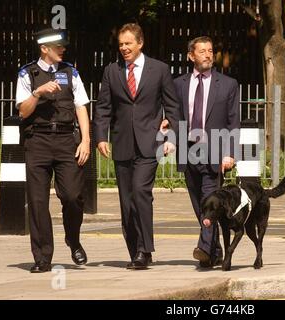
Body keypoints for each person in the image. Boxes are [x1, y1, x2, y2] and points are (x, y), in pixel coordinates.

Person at [93, 23, 180, 269]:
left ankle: (144, 249)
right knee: (126, 200)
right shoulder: (111, 71)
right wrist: (100, 136)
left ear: (140, 43)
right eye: (121, 44)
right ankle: (136, 250)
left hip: (149, 143)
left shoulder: (159, 70)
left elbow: (172, 106)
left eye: (128, 43)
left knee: (141, 192)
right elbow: (103, 107)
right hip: (121, 144)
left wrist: (170, 133)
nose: (124, 48)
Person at [16, 28, 90, 273]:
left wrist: (86, 140)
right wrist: (38, 92)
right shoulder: (28, 73)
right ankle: (42, 257)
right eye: (58, 46)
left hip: (66, 139)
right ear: (44, 48)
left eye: (63, 46)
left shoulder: (71, 72)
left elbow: (81, 107)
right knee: (37, 202)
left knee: (72, 196)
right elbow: (23, 112)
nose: (63, 49)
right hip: (37, 140)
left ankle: (73, 239)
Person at [173, 36, 240, 268]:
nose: (208, 55)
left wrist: (230, 152)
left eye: (210, 50)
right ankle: (216, 251)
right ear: (191, 56)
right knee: (199, 204)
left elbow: (233, 122)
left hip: (215, 149)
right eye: (202, 51)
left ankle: (203, 249)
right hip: (188, 148)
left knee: (210, 201)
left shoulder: (228, 84)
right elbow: (174, 115)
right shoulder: (178, 84)